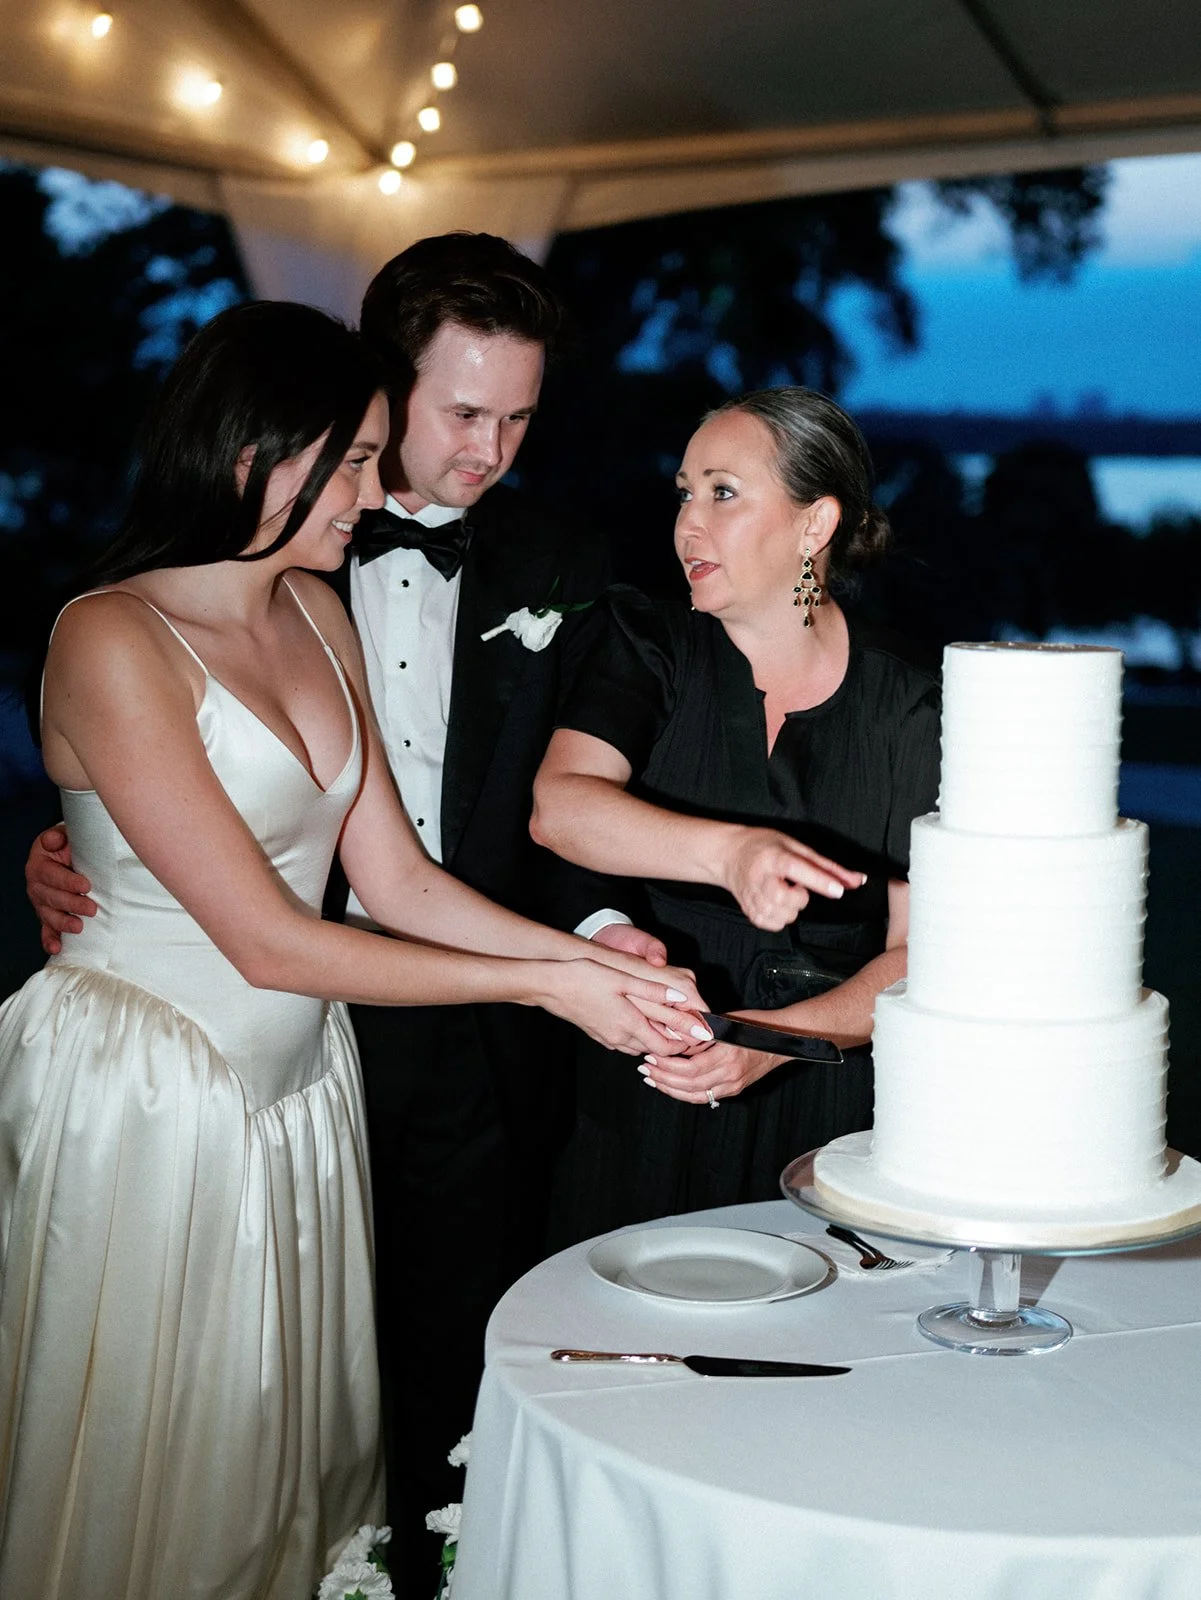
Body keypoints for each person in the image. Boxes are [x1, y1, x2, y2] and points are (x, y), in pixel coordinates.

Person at [0, 301, 703, 1600]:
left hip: (300, 1089)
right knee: (167, 1448)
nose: (376, 490)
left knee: (288, 1453)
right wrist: (548, 982)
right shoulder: (107, 637)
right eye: (357, 458)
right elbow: (271, 939)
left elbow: (399, 881)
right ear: (253, 454)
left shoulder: (319, 614)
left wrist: (592, 966)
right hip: (158, 1095)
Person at [531, 387, 942, 1245]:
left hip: (823, 1102)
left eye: (722, 493)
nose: (687, 525)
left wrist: (770, 1040)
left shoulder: (910, 703)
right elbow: (559, 807)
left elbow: (921, 955)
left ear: (812, 525)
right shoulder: (646, 641)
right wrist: (727, 855)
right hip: (649, 1066)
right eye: (683, 492)